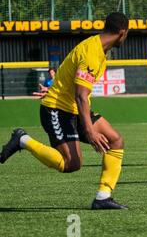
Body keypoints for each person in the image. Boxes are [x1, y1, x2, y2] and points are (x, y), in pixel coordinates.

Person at [0, 12, 130, 209]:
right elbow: (80, 95)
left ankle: (103, 197)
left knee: (115, 140)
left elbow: (72, 82)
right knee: (71, 164)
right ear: (122, 32)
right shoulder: (92, 54)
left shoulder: (96, 47)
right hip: (57, 110)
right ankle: (22, 140)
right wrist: (89, 130)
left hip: (74, 109)